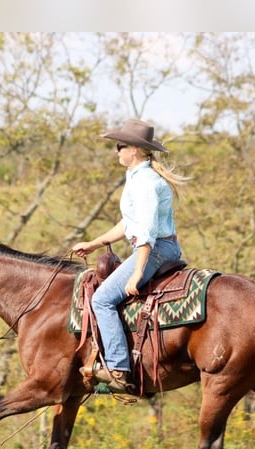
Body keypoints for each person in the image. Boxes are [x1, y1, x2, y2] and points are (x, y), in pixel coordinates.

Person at [72, 119, 187, 393]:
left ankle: (118, 368)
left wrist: (138, 270)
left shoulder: (146, 182)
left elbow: (146, 230)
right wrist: (95, 243)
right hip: (156, 247)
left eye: (119, 146)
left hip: (155, 249)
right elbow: (128, 223)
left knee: (101, 300)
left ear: (134, 149)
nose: (116, 151)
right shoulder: (136, 177)